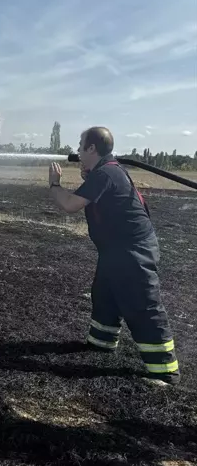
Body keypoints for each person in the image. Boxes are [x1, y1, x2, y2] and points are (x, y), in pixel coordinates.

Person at [47, 126, 180, 385]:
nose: (76, 151)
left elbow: (70, 205)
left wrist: (54, 184)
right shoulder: (104, 171)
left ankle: (165, 371)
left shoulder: (106, 173)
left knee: (142, 305)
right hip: (116, 249)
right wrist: (88, 176)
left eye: (80, 145)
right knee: (105, 294)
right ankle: (101, 344)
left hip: (133, 250)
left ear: (91, 149)